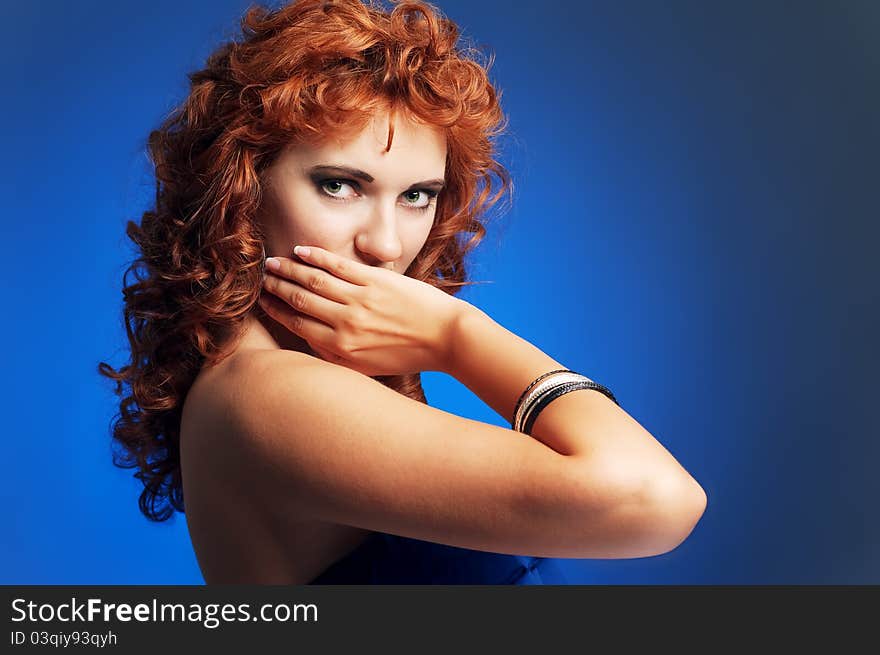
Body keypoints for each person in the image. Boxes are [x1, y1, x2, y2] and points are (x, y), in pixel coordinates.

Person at [99, 0, 707, 584]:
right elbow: (655, 499)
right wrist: (456, 335)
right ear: (241, 187)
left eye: (417, 195)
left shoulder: (277, 383)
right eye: (339, 185)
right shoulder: (270, 394)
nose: (386, 245)